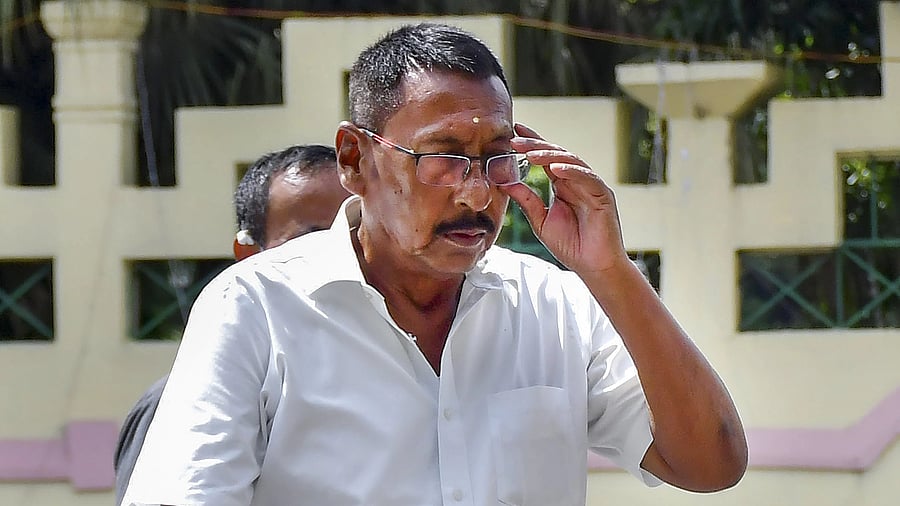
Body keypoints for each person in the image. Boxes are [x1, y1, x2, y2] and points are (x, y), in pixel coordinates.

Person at [122, 23, 747, 506]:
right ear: (354, 159)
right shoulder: (255, 307)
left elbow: (711, 465)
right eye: (442, 157)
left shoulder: (556, 305)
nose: (476, 193)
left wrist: (609, 272)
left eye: (498, 157)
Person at [113, 144, 349, 506]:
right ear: (248, 256)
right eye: (311, 242)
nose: (342, 259)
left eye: (357, 237)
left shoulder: (416, 378)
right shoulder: (188, 399)